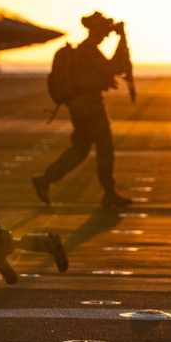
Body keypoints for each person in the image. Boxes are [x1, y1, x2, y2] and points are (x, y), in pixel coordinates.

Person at [32, 11, 131, 207]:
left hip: (80, 107)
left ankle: (46, 179)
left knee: (80, 149)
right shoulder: (89, 51)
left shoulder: (85, 50)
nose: (106, 36)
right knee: (105, 146)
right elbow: (114, 67)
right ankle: (109, 192)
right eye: (103, 32)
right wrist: (122, 39)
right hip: (90, 107)